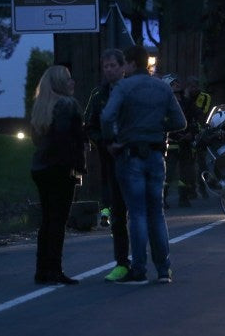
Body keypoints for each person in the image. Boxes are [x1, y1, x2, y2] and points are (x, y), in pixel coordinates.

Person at [101, 45, 186, 284]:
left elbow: (107, 117)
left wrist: (112, 140)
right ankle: (163, 269)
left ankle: (138, 269)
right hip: (156, 154)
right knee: (156, 213)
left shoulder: (123, 87)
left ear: (129, 64)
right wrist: (157, 127)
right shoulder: (162, 87)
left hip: (130, 154)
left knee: (136, 214)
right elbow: (180, 122)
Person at [30, 65, 86, 285]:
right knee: (58, 220)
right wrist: (78, 165)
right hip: (60, 168)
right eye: (68, 79)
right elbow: (67, 139)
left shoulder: (41, 106)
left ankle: (42, 269)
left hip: (41, 167)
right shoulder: (67, 105)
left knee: (47, 220)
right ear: (61, 83)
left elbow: (37, 139)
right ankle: (55, 268)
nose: (72, 82)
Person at [84, 48, 131, 282]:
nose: (110, 69)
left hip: (135, 158)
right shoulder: (98, 94)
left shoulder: (133, 89)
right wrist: (104, 142)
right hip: (110, 161)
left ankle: (156, 262)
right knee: (118, 213)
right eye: (106, 66)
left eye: (113, 65)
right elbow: (89, 124)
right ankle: (122, 261)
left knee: (144, 212)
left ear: (123, 67)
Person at [161, 74, 197, 208]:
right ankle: (163, 198)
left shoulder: (187, 102)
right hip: (170, 143)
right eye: (173, 84)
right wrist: (166, 135)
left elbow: (195, 120)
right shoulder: (163, 104)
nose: (177, 85)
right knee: (168, 172)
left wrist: (191, 134)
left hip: (185, 142)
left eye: (177, 83)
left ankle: (184, 197)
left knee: (186, 172)